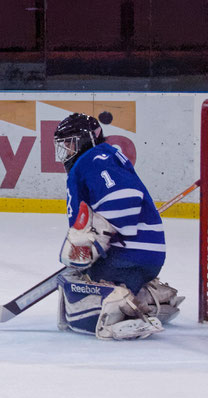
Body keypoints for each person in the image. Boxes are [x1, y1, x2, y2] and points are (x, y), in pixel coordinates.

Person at [53, 113, 183, 340]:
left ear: (87, 139)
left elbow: (124, 196)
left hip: (124, 256)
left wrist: (96, 239)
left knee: (73, 284)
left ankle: (119, 309)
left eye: (71, 143)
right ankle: (147, 298)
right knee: (76, 273)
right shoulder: (103, 156)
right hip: (142, 257)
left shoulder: (95, 157)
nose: (68, 151)